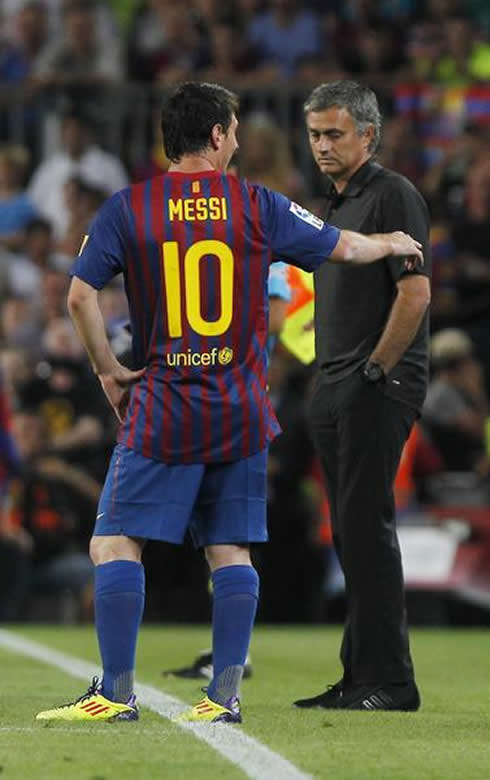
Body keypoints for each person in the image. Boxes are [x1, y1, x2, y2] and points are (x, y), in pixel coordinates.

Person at [35, 81, 422, 725]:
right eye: (234, 130)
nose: (238, 140)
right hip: (240, 405)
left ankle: (115, 692)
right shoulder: (257, 203)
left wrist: (109, 371)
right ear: (215, 136)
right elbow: (341, 247)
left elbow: (79, 297)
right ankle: (223, 698)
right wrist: (393, 244)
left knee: (114, 543)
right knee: (230, 551)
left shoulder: (129, 208)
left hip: (163, 403)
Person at [293, 81, 431, 712]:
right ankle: (359, 676)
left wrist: (375, 372)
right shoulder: (337, 205)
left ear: (367, 136)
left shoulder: (392, 194)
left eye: (335, 134)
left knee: (365, 527)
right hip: (338, 383)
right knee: (350, 532)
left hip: (377, 383)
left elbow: (415, 293)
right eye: (316, 134)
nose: (322, 145)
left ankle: (392, 682)